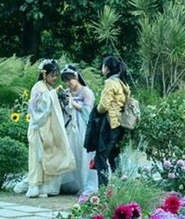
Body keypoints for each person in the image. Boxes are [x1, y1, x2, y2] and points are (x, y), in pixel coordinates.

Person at [14, 59, 76, 198]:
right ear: (44, 74)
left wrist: (57, 96)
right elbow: (37, 107)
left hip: (49, 128)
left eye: (56, 75)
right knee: (38, 158)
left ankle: (46, 188)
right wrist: (53, 94)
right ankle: (36, 186)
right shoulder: (38, 87)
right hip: (39, 128)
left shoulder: (47, 87)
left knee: (50, 156)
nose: (54, 78)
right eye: (52, 75)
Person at [95, 54, 132, 188]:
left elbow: (103, 105)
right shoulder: (122, 82)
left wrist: (97, 111)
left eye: (103, 65)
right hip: (120, 125)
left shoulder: (110, 82)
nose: (102, 68)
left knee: (101, 158)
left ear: (108, 68)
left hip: (110, 125)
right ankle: (121, 186)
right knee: (114, 157)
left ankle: (103, 190)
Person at [61, 64, 94, 194]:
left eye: (70, 80)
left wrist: (73, 103)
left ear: (76, 76)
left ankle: (85, 183)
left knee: (83, 154)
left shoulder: (86, 92)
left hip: (83, 127)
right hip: (70, 126)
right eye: (66, 81)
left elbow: (88, 111)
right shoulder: (67, 91)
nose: (68, 83)